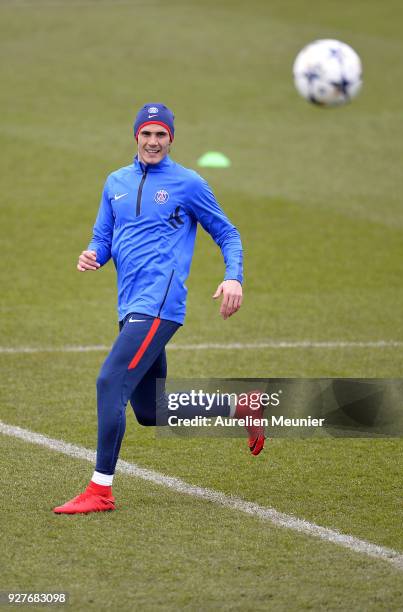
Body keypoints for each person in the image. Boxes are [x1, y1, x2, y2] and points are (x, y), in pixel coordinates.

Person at [53, 103, 265, 515]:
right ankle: (240, 405)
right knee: (151, 410)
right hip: (130, 303)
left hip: (160, 303)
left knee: (109, 382)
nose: (153, 142)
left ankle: (100, 490)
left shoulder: (188, 183)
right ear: (136, 136)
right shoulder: (115, 181)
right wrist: (93, 254)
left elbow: (227, 232)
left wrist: (233, 276)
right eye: (147, 134)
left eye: (161, 135)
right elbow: (103, 236)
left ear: (171, 139)